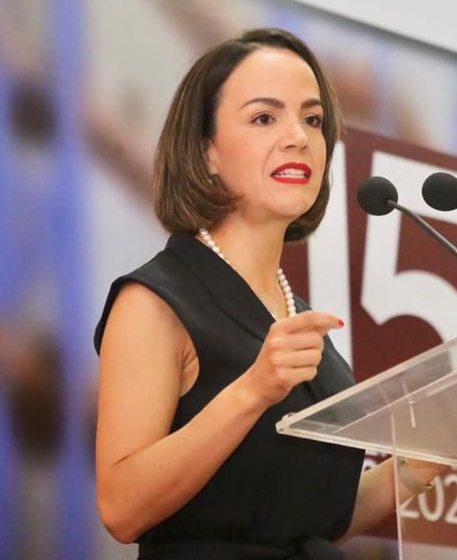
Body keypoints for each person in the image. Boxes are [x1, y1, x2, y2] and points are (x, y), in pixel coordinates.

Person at [94, 28, 439, 559]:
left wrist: (432, 456)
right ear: (206, 151)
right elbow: (121, 508)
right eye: (263, 118)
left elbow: (308, 523)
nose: (298, 137)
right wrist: (253, 390)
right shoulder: (154, 301)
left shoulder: (295, 313)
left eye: (313, 120)